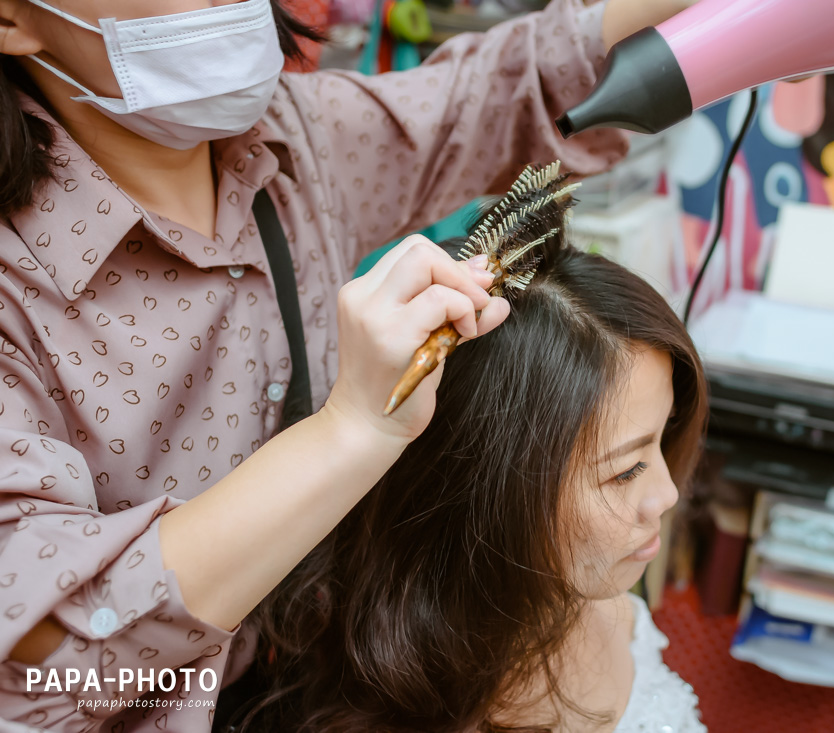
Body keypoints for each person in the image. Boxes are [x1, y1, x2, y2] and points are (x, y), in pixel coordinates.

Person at [0, 0, 699, 730]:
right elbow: (39, 665)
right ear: (13, 19)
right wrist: (351, 430)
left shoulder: (298, 140)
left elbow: (499, 90)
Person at [242, 195, 709, 732]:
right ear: (488, 487)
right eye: (625, 471)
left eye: (663, 436)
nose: (669, 494)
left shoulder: (603, 599)